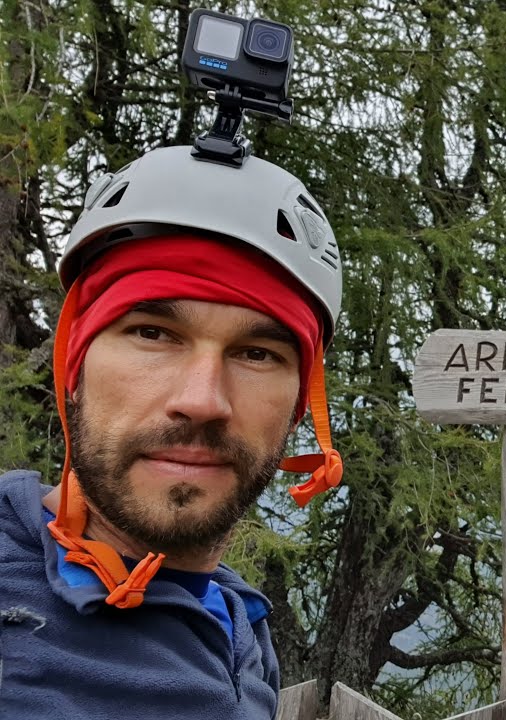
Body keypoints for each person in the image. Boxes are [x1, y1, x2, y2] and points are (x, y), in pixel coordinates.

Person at [0, 143, 344, 719]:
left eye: (256, 353)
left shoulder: (234, 615)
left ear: (297, 409)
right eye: (152, 333)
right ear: (74, 368)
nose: (202, 400)